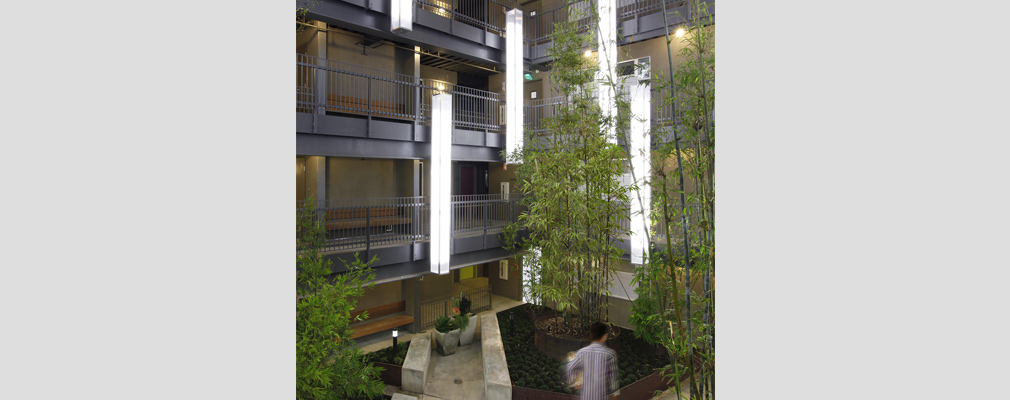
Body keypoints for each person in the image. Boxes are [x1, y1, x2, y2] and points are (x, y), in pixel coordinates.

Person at [566, 322, 619, 400]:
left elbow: (570, 368)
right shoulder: (610, 354)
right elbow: (613, 380)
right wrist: (613, 396)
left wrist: (575, 382)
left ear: (591, 335)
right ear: (604, 336)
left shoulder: (582, 352)